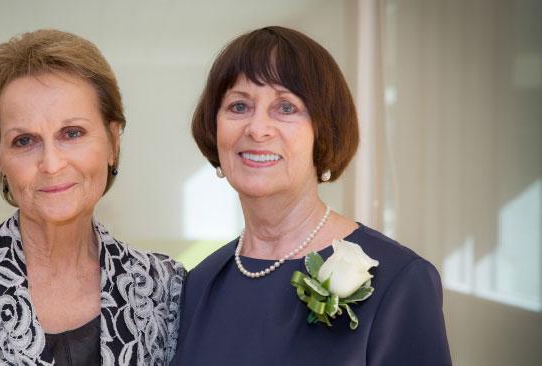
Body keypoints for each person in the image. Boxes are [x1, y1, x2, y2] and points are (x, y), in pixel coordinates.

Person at [0, 29, 185, 366]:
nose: (51, 164)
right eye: (24, 141)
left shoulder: (164, 287)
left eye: (72, 133)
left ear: (113, 141)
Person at [171, 26, 450, 365]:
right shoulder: (200, 284)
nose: (257, 129)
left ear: (324, 129)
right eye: (239, 106)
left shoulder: (399, 281)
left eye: (286, 107)